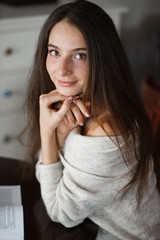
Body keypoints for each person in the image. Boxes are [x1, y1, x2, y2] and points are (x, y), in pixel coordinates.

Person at [22, 0, 160, 239]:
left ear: (103, 59)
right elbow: (46, 172)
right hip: (89, 225)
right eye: (55, 52)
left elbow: (60, 213)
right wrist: (60, 136)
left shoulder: (105, 131)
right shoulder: (83, 101)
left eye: (80, 56)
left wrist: (48, 133)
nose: (62, 69)